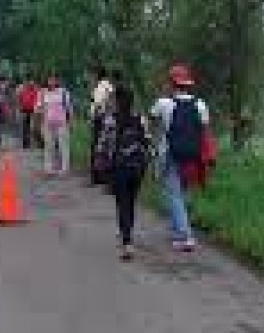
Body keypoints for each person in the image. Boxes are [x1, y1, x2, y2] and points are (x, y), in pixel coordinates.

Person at [151, 64, 210, 252]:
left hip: (170, 153)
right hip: (192, 154)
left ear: (172, 83)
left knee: (173, 194)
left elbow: (153, 119)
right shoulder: (200, 104)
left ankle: (186, 235)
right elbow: (204, 130)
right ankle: (177, 234)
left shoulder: (164, 103)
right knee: (182, 193)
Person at [106, 85, 150, 261]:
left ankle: (127, 241)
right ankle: (127, 233)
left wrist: (103, 167)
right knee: (131, 201)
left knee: (122, 203)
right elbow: (147, 141)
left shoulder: (111, 121)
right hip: (137, 167)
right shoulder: (140, 119)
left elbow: (105, 146)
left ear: (117, 101)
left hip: (119, 167)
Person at [38, 75, 73, 177]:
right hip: (47, 123)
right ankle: (48, 169)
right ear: (47, 81)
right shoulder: (43, 93)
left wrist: (71, 122)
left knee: (63, 145)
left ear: (57, 81)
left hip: (62, 123)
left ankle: (64, 169)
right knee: (49, 146)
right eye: (50, 80)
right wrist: (39, 120)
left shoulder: (63, 92)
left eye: (54, 80)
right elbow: (39, 107)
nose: (52, 82)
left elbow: (69, 108)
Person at [89, 65, 115, 186]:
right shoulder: (110, 86)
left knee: (97, 147)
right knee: (107, 147)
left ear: (97, 75)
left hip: (100, 119)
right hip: (109, 119)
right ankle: (105, 176)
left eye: (93, 74)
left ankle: (97, 177)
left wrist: (95, 115)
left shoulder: (100, 87)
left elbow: (98, 104)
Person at [17, 76, 40, 149]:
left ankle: (40, 142)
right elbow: (19, 99)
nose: (30, 83)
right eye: (29, 81)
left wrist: (37, 109)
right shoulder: (22, 89)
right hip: (24, 109)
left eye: (32, 81)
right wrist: (19, 108)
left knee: (34, 127)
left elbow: (38, 100)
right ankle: (26, 143)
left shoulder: (36, 89)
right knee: (25, 127)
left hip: (34, 110)